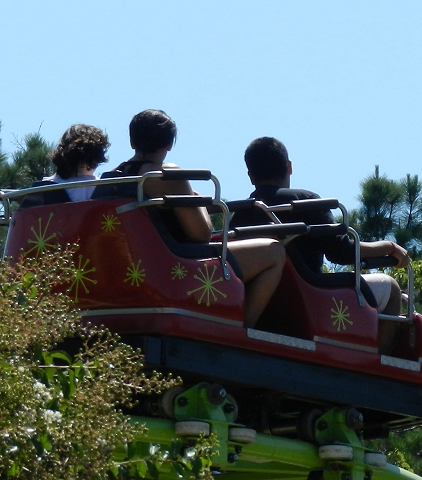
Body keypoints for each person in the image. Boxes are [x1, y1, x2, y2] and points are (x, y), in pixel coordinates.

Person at [104, 110, 286, 329]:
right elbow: (201, 233)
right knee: (275, 251)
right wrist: (195, 201)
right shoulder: (166, 176)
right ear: (170, 144)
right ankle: (244, 328)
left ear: (132, 140)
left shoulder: (108, 178)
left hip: (128, 268)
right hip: (175, 266)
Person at [243, 136, 409, 317]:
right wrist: (388, 247)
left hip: (261, 299)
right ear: (289, 167)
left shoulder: (239, 213)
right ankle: (379, 346)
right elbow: (342, 252)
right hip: (309, 295)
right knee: (391, 288)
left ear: (251, 176)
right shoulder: (305, 202)